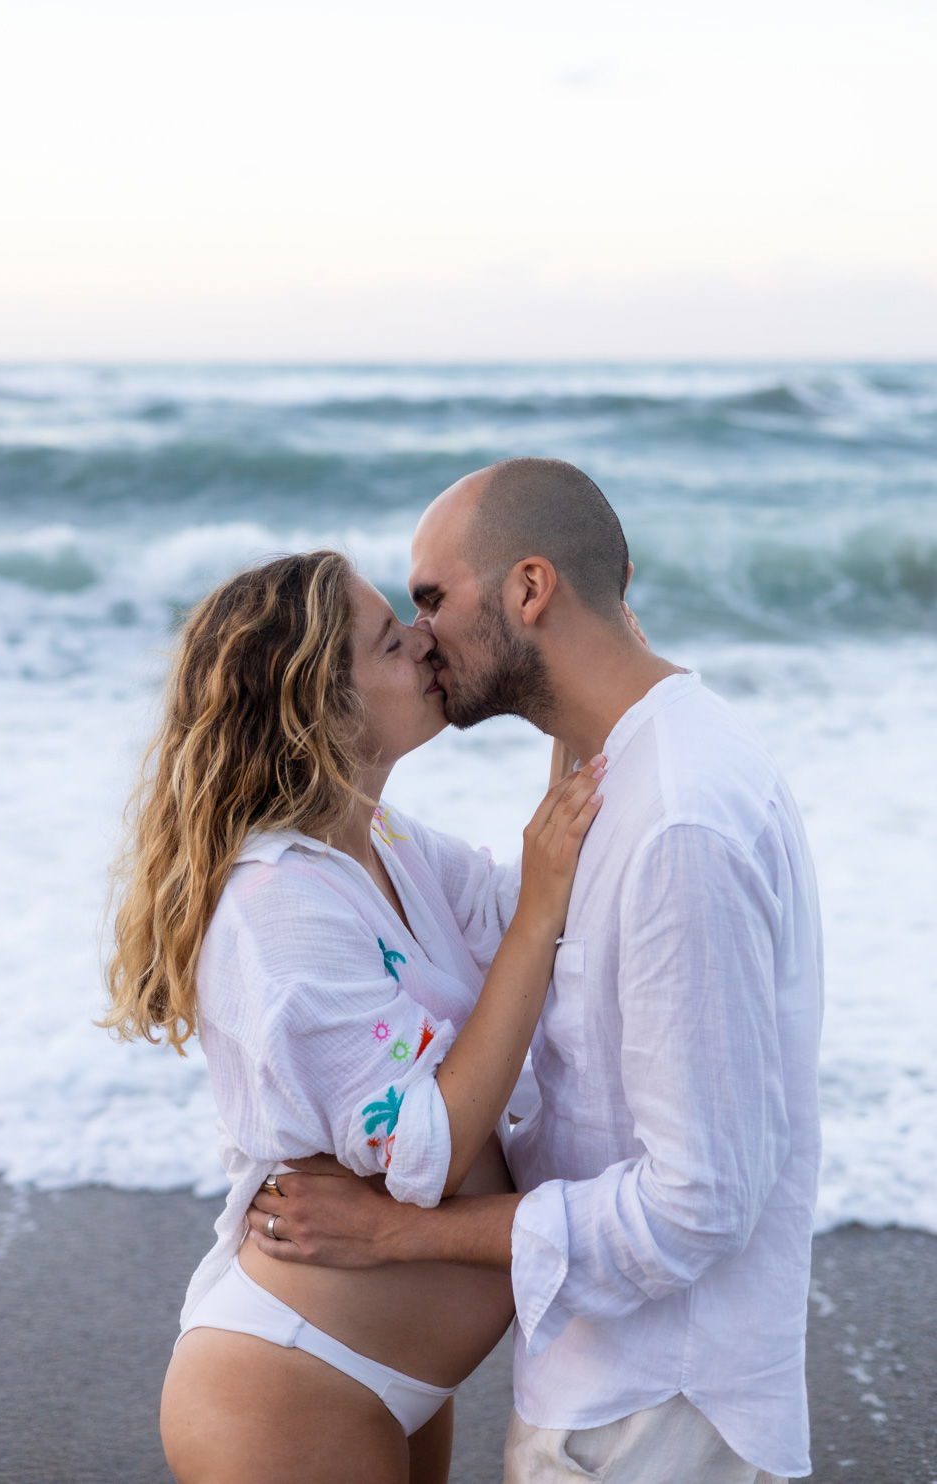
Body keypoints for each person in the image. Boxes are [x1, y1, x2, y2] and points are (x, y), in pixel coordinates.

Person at [245, 458, 824, 1484]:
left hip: (649, 1417)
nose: (419, 636)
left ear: (528, 589)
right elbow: (500, 909)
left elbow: (695, 1206)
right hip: (627, 1394)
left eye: (430, 598)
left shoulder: (674, 819)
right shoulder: (636, 771)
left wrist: (396, 1238)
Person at [102, 547, 607, 1484]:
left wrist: (574, 671)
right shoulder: (279, 906)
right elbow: (428, 1151)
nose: (424, 641)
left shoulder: (380, 842)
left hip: (384, 1379)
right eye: (389, 639)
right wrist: (539, 907)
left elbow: (526, 905)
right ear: (321, 708)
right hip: (292, 1381)